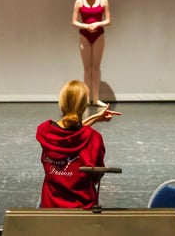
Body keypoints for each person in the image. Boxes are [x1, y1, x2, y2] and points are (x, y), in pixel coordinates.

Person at [36, 80, 121, 209]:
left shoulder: (45, 131)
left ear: (61, 103)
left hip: (50, 209)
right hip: (82, 210)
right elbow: (96, 177)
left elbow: (66, 135)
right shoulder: (94, 138)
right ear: (84, 106)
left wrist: (94, 118)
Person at [72, 0, 111, 107]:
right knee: (87, 69)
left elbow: (108, 20)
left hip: (98, 35)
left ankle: (96, 98)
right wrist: (86, 26)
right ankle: (87, 98)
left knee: (96, 68)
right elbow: (74, 21)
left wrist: (97, 24)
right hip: (84, 36)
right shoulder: (79, 2)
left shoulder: (103, 0)